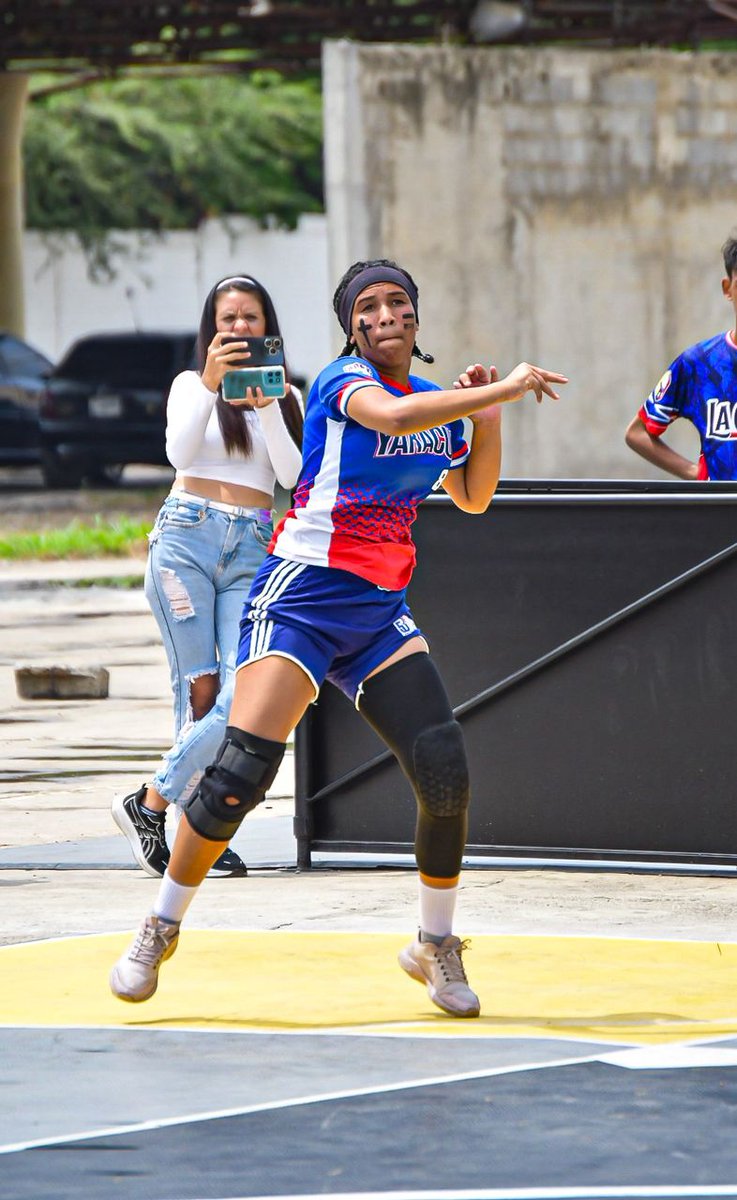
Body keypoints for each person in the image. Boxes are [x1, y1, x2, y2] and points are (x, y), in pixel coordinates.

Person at [110, 257, 566, 1015]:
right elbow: (391, 421)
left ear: (414, 316)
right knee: (239, 774)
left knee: (443, 769)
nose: (384, 316)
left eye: (397, 303)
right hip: (302, 595)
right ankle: (160, 925)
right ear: (352, 327)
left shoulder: (435, 402)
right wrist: (500, 389)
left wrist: (487, 420)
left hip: (377, 610)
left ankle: (433, 945)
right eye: (368, 308)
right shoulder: (341, 382)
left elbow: (474, 494)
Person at [111, 274, 303, 879]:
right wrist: (211, 384)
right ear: (212, 330)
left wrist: (268, 407)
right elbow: (178, 453)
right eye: (229, 319)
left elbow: (291, 477)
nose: (240, 327)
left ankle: (151, 803)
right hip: (185, 541)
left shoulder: (288, 395)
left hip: (251, 549)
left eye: (251, 317)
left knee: (243, 694)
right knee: (198, 690)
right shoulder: (188, 385)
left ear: (268, 327)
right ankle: (198, 830)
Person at [625, 235, 737, 480]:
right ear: (727, 289)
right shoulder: (699, 364)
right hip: (721, 504)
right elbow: (638, 432)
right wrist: (695, 473)